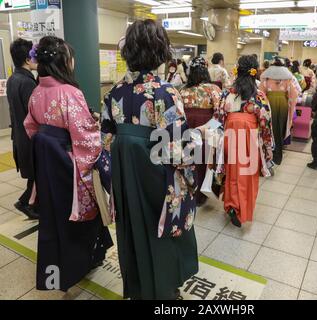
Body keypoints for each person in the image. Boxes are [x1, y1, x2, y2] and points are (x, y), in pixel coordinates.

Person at [101, 19, 199, 300]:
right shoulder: (165, 92)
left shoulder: (114, 93)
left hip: (125, 173)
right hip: (157, 174)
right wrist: (191, 177)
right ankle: (164, 291)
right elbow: (178, 147)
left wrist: (117, 176)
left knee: (132, 229)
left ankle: (138, 285)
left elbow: (105, 139)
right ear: (159, 52)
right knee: (162, 232)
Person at [23, 36, 113, 292]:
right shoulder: (69, 93)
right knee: (80, 216)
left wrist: (47, 144)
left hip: (48, 164)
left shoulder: (37, 91)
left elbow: (30, 126)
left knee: (53, 216)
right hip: (69, 164)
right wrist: (97, 135)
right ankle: (80, 264)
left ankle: (55, 271)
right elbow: (86, 139)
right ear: (64, 62)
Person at [214, 55, 274, 228]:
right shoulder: (259, 96)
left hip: (230, 135)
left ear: (237, 71)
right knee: (249, 176)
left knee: (232, 172)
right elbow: (265, 122)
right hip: (250, 138)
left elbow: (218, 118)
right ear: (255, 72)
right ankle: (243, 210)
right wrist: (268, 146)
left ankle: (231, 205)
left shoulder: (227, 93)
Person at [179, 57, 222, 207]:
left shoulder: (182, 90)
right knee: (205, 160)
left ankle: (189, 191)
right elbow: (219, 114)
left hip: (187, 128)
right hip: (206, 128)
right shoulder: (213, 89)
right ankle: (202, 194)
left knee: (189, 159)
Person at [7, 38, 39, 220]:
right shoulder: (28, 82)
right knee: (37, 173)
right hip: (29, 138)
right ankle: (25, 202)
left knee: (35, 174)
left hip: (18, 136)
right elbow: (34, 114)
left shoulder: (13, 79)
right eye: (34, 56)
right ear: (28, 60)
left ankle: (30, 202)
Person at [260, 58, 300, 165]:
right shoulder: (287, 80)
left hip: (269, 104)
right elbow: (294, 95)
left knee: (270, 128)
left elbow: (261, 94)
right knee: (280, 128)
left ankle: (267, 154)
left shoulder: (266, 79)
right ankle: (278, 156)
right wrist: (291, 108)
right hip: (283, 104)